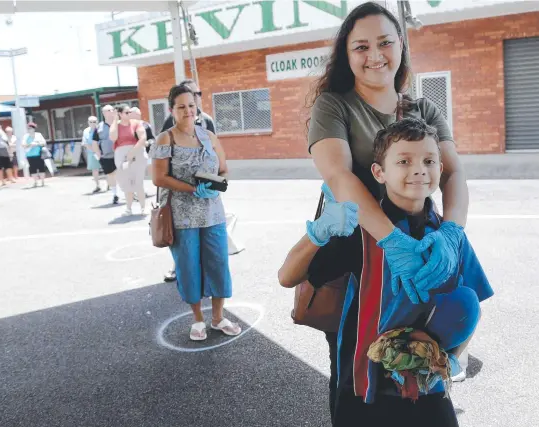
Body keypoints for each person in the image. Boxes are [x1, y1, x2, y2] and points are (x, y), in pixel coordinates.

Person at [305, 1, 471, 423]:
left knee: (419, 356)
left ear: (401, 47)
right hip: (356, 256)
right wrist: (391, 240)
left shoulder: (424, 109)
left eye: (384, 42)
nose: (374, 54)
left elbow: (454, 176)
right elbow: (341, 177)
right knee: (354, 372)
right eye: (360, 46)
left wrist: (451, 234)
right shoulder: (334, 105)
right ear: (346, 54)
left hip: (422, 253)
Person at [280, 119, 493, 426]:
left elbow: (471, 307)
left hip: (427, 389)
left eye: (429, 160)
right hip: (363, 390)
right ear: (379, 172)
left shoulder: (449, 238)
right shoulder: (360, 232)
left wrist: (446, 357)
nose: (419, 168)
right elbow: (287, 276)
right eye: (404, 161)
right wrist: (318, 233)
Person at [152, 83, 240, 340]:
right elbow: (159, 177)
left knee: (218, 264)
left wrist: (217, 185)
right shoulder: (165, 138)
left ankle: (218, 317)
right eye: (181, 107)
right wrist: (192, 189)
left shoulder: (209, 136)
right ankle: (198, 320)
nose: (188, 111)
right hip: (182, 218)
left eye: (191, 105)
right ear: (172, 110)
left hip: (212, 213)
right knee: (188, 267)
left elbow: (224, 169)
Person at [161, 79, 216, 283]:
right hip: (179, 190)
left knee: (205, 234)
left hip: (203, 186)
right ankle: (178, 266)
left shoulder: (207, 120)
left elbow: (215, 153)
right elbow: (162, 161)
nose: (194, 99)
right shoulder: (170, 123)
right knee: (181, 237)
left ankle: (203, 272)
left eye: (196, 95)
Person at [109, 103, 148, 216]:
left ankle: (143, 207)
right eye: (126, 112)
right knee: (126, 183)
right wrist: (115, 120)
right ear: (120, 114)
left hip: (137, 154)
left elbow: (143, 138)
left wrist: (132, 152)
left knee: (138, 182)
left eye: (130, 112)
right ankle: (129, 209)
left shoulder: (136, 123)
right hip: (121, 156)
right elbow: (113, 137)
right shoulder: (116, 125)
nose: (129, 114)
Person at [93, 105, 119, 205]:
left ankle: (128, 193)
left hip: (119, 153)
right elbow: (95, 141)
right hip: (106, 156)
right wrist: (98, 155)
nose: (111, 111)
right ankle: (115, 194)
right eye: (108, 110)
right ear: (103, 113)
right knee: (110, 175)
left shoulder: (119, 124)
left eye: (112, 110)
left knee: (122, 174)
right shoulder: (99, 127)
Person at [23, 122, 47, 187]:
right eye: (28, 128)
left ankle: (42, 182)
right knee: (33, 169)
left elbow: (44, 143)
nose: (29, 130)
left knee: (41, 168)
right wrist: (30, 145)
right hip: (30, 155)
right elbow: (23, 145)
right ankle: (35, 182)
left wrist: (37, 143)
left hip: (39, 154)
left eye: (30, 128)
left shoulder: (38, 135)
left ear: (34, 129)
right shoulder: (26, 136)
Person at [82, 116, 102, 193]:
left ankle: (109, 184)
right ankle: (97, 186)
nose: (93, 123)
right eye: (91, 122)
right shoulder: (86, 131)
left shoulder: (101, 129)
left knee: (107, 169)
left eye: (94, 121)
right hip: (92, 153)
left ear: (97, 122)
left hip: (102, 152)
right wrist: (94, 150)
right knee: (95, 170)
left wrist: (98, 151)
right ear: (88, 122)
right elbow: (84, 143)